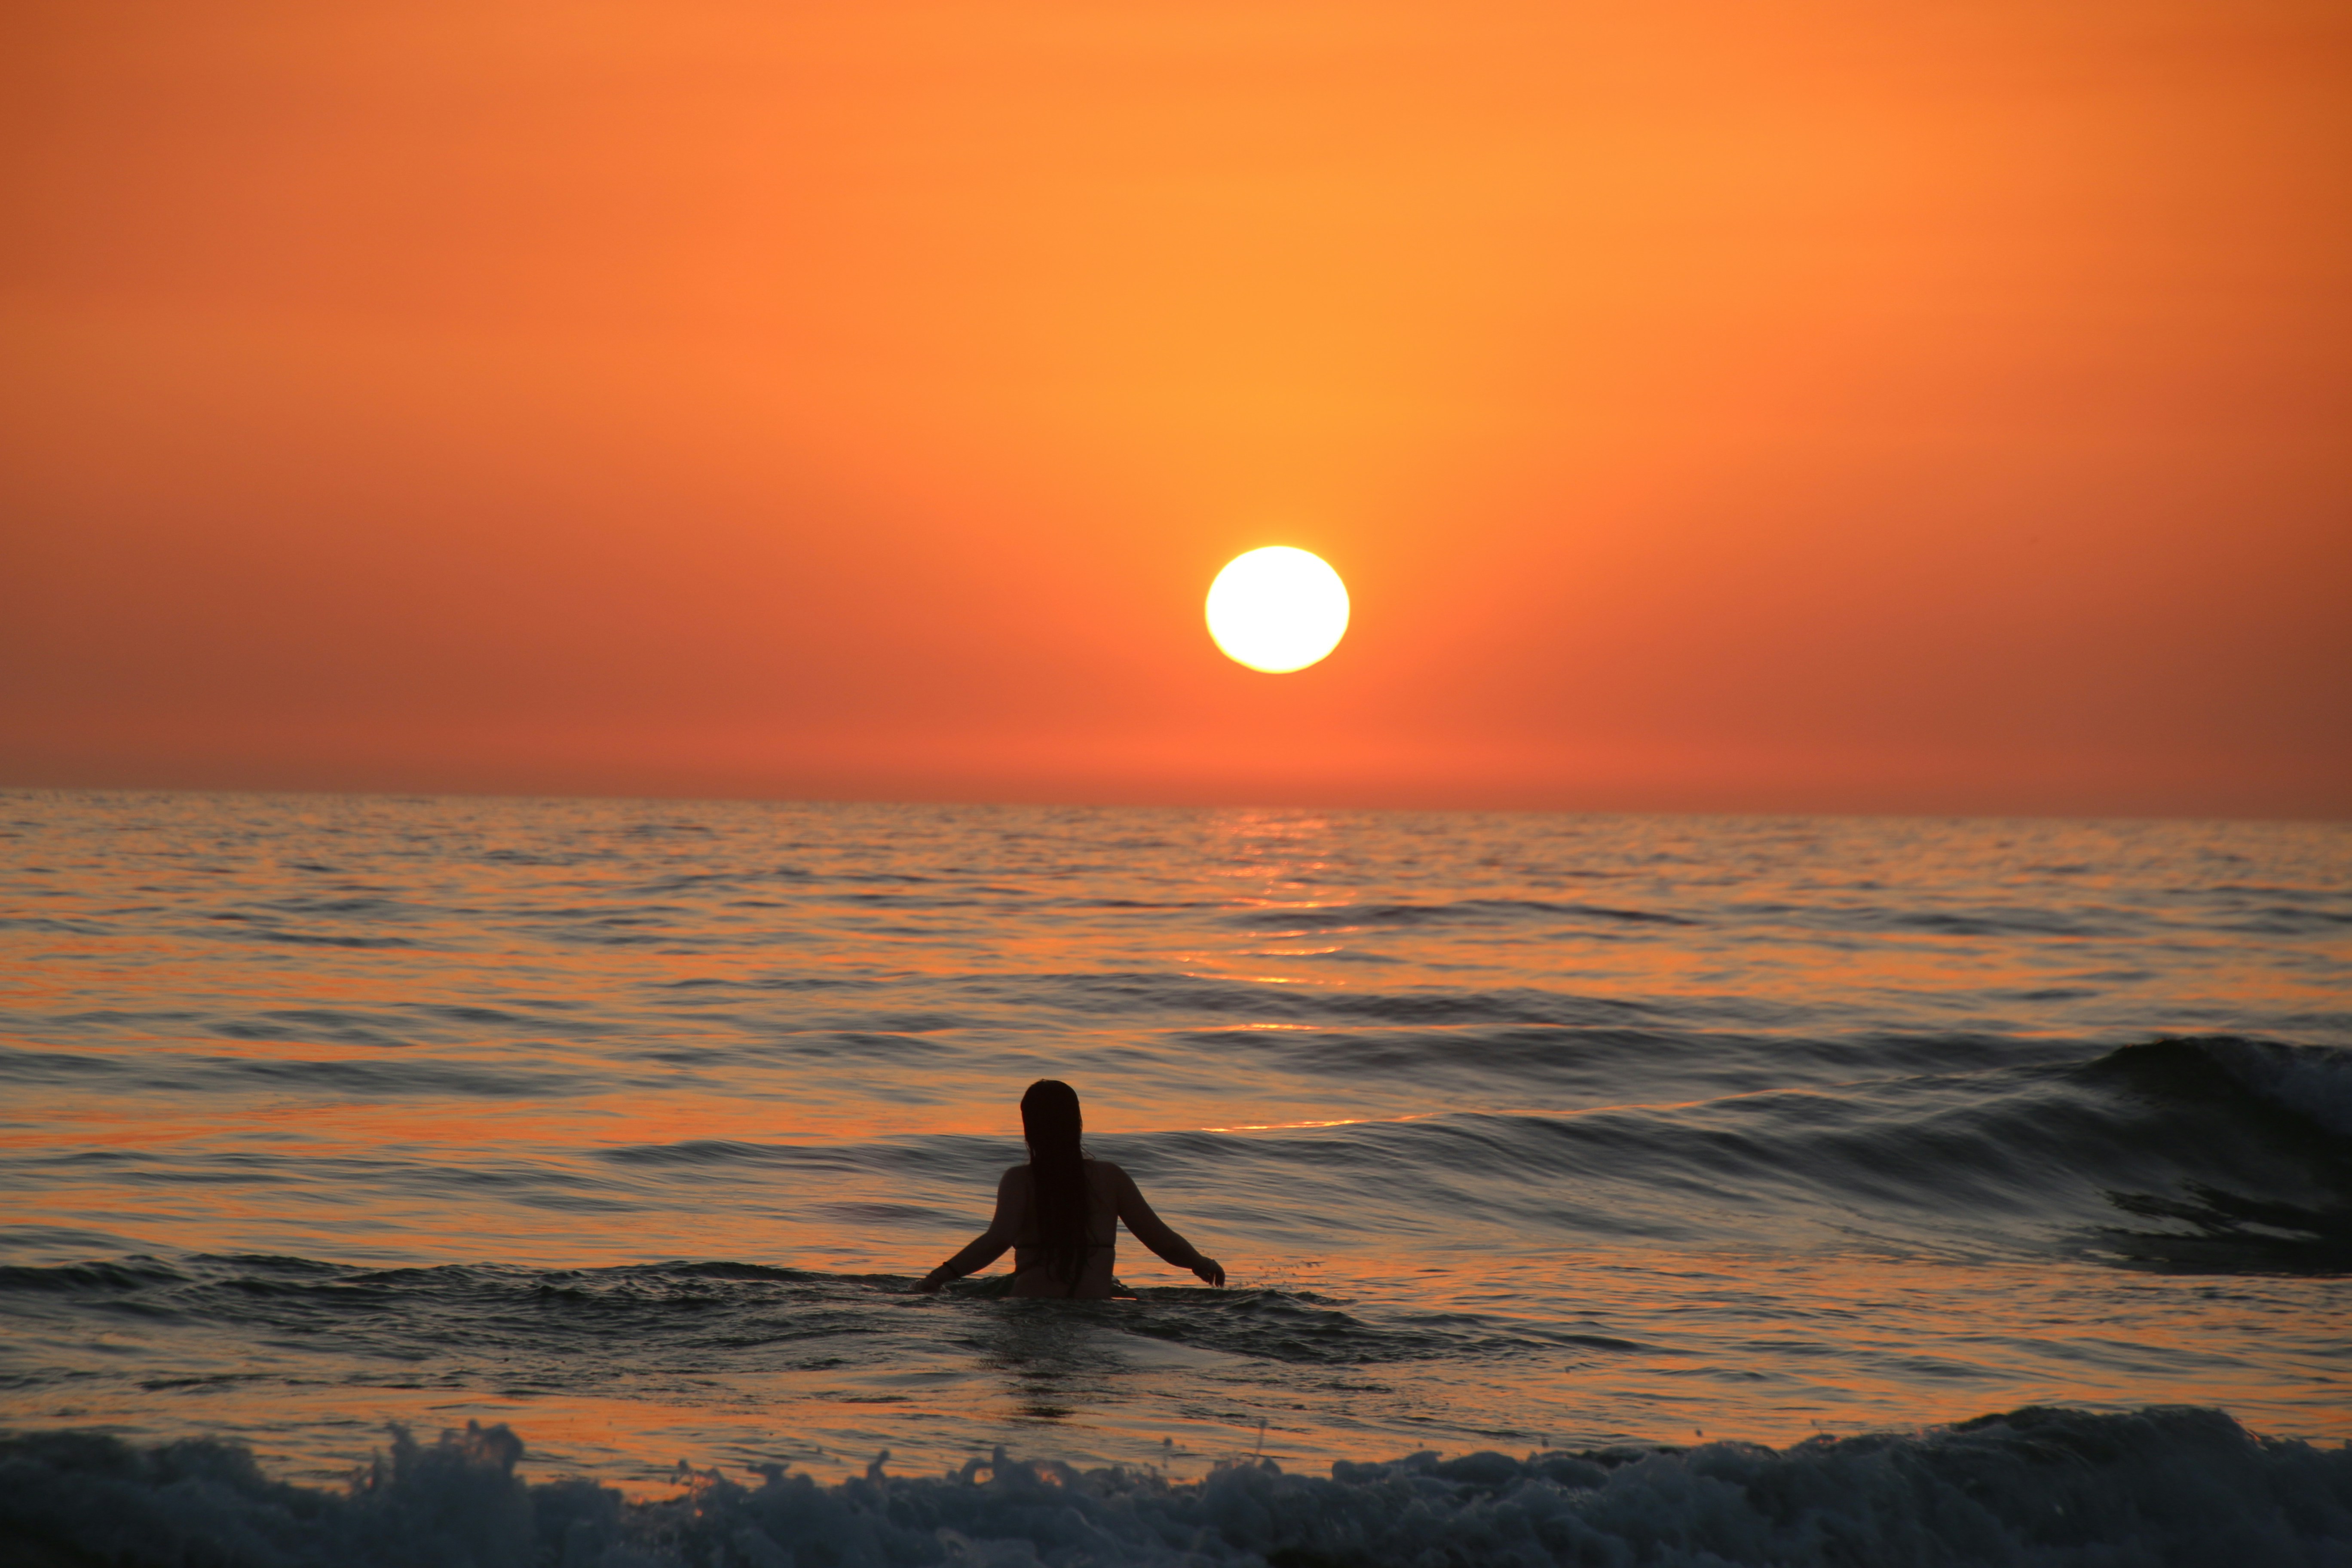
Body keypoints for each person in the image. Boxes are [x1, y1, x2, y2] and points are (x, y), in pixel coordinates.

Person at [914, 1079, 1225, 1298]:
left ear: (1029, 1129)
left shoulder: (1019, 1180)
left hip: (1029, 1307)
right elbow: (1161, 1240)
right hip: (1093, 1310)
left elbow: (996, 1241)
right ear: (1077, 1123)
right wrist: (1201, 1264)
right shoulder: (1110, 1178)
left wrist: (938, 1277)